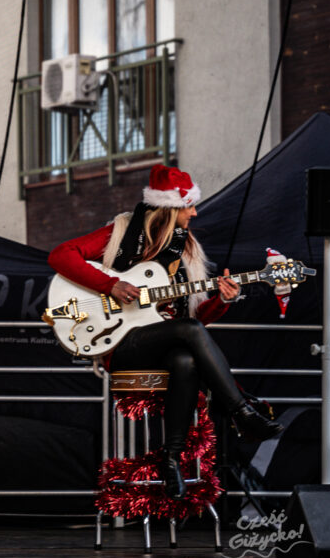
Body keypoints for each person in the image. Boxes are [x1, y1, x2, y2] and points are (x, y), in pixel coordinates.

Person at [48, 164, 282, 500]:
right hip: (120, 344)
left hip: (163, 340)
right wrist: (111, 284)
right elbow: (60, 255)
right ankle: (241, 411)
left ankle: (170, 460)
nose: (195, 212)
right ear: (170, 208)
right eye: (189, 206)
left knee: (186, 360)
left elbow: (194, 320)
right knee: (187, 335)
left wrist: (222, 300)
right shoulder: (122, 231)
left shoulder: (188, 249)